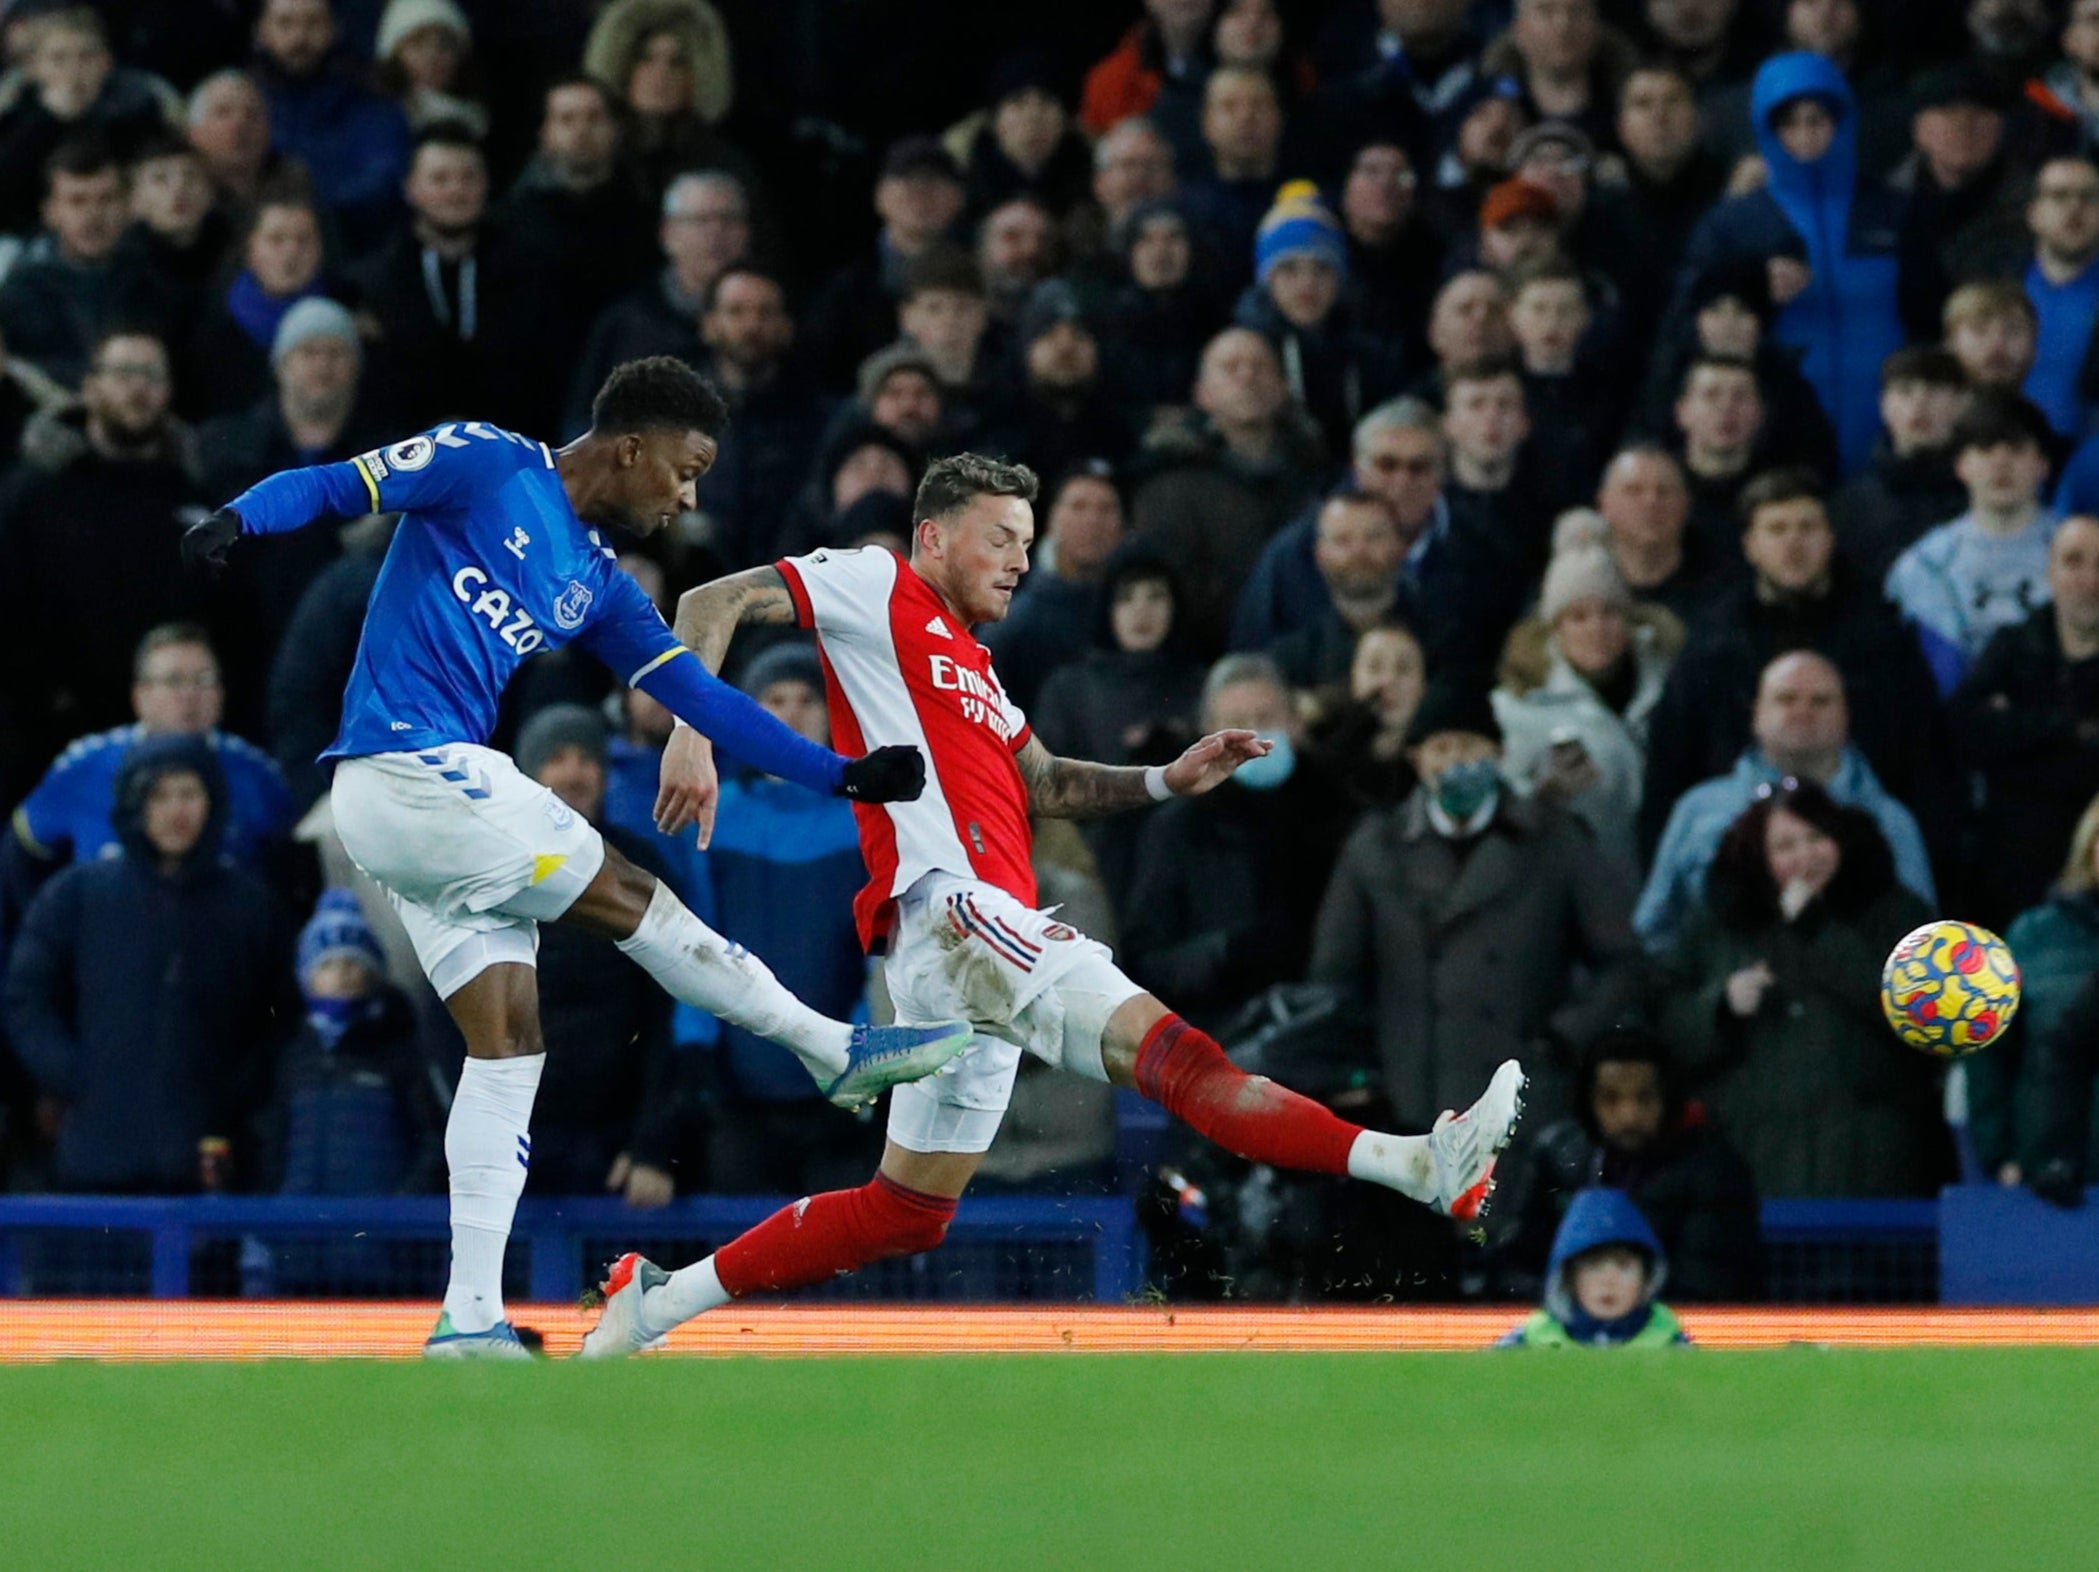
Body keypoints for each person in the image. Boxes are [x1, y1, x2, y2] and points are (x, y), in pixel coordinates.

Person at [582, 453, 1528, 1355]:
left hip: (957, 949)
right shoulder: (875, 584)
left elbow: (1043, 781)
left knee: (904, 1212)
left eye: (1027, 543)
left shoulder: (977, 668)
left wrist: (1163, 778)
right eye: (1000, 537)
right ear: (933, 537)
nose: (1021, 561)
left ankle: (659, 1300)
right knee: (1182, 1061)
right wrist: (691, 733)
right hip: (956, 911)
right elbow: (714, 598)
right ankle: (1414, 1163)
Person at [178, 356, 969, 1356]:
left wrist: (839, 776)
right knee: (636, 890)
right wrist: (239, 517)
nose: (687, 497)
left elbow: (706, 699)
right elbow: (342, 483)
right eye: (684, 470)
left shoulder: (594, 582)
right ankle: (830, 1049)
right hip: (404, 768)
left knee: (510, 1046)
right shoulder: (484, 460)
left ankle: (467, 1321)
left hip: (427, 824)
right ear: (631, 446)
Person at [1308, 681, 1642, 1132]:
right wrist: (1367, 1067)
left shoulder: (1555, 840)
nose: (1455, 763)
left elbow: (1621, 961)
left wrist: (1564, 1039)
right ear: (1417, 759)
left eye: (1469, 747)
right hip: (1407, 1106)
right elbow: (1334, 976)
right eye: (1441, 748)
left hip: (1523, 1101)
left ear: (1499, 753)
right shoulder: (1375, 848)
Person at [4, 734, 295, 1194]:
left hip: (208, 1168)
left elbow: (281, 1021)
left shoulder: (251, 908)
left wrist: (232, 1096)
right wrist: (79, 1075)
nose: (175, 811)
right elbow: (25, 999)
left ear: (213, 800)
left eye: (188, 794)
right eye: (158, 795)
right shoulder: (77, 895)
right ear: (132, 802)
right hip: (93, 1168)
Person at [1639, 468, 1949, 857]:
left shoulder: (1883, 641)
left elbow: (1927, 762)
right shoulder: (1711, 646)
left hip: (1864, 848)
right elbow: (1672, 766)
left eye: (1807, 527)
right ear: (1750, 544)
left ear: (1830, 538)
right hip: (1736, 850)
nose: (1793, 543)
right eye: (1777, 529)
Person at [1656, 779, 1943, 1197]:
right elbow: (1668, 1025)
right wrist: (1721, 1007)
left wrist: (1818, 931)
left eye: (1817, 837)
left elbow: (1918, 1015)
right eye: (1785, 846)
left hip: (1872, 1164)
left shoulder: (1897, 914)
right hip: (1753, 1160)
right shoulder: (1717, 925)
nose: (1805, 856)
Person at [1674, 52, 1911, 473]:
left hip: (1891, 423)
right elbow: (1688, 319)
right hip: (1779, 432)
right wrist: (1752, 290)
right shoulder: (1734, 221)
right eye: (1790, 123)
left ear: (1843, 122)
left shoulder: (1891, 211)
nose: (1805, 135)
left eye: (1818, 120)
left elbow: (1928, 310)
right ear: (1768, 131)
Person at [0, 329, 212, 793]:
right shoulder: (34, 495)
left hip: (173, 746)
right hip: (45, 743)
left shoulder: (199, 498)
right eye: (123, 373)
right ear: (90, 386)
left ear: (170, 391)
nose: (138, 389)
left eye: (151, 375)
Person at [1637, 651, 1935, 953]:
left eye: (1820, 701)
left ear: (1846, 715)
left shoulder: (1890, 821)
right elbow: (1656, 929)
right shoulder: (1698, 809)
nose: (1803, 711)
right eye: (1786, 699)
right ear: (1756, 713)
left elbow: (1920, 944)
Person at [1122, 654, 1356, 1029]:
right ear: (1207, 736)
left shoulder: (1341, 815)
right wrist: (1224, 952)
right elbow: (1146, 963)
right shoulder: (1176, 830)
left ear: (1294, 723)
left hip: (1324, 1036)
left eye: (1266, 720)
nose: (1253, 739)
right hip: (1220, 1041)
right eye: (1236, 727)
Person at [515, 705, 687, 1204]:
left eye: (588, 759)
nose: (574, 773)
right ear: (529, 773)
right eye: (557, 758)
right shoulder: (488, 868)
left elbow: (668, 1016)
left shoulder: (637, 869)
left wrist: (653, 1144)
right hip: (510, 1144)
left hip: (615, 1153)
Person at [7, 624, 293, 905]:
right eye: (173, 681)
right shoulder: (86, 767)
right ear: (140, 697)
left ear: (221, 693)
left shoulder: (258, 774)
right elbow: (19, 853)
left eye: (204, 680)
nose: (189, 695)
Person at [1488, 1028, 1760, 1303]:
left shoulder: (1712, 1168)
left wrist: (1617, 1312)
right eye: (1611, 1099)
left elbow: (1709, 1283)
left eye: (1645, 1098)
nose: (1629, 1115)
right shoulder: (1554, 1154)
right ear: (1588, 1103)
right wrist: (1570, 1310)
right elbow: (1511, 1267)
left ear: (1668, 1100)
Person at [1492, 512, 1682, 872]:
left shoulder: (1671, 685)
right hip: (1579, 883)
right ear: (1555, 627)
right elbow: (1506, 813)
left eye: (1609, 612)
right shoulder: (1519, 709)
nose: (1597, 628)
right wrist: (1546, 794)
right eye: (1579, 617)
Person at [1950, 516, 2099, 929]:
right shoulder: (2012, 646)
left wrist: (2016, 730)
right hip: (2006, 866)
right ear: (2049, 572)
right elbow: (1964, 732)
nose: (2090, 580)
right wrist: (2072, 727)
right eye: (2074, 561)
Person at [1886, 391, 2061, 697]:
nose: (2001, 463)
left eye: (2016, 449)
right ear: (1961, 465)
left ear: (2043, 465)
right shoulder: (1922, 565)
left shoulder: (2083, 556)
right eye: (1985, 449)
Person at [563, 169, 751, 435]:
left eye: (728, 220)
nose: (716, 233)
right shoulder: (628, 322)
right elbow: (582, 420)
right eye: (701, 221)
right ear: (667, 234)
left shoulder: (770, 317)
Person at [249, 0, 411, 253]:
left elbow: (385, 176)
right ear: (261, 32)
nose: (299, 37)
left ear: (335, 30)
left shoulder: (369, 98)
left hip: (355, 245)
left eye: (313, 23)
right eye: (285, 23)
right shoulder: (244, 102)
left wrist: (315, 213)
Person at [981, 460, 1129, 712]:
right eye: (1078, 507)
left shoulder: (1138, 608)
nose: (1093, 520)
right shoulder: (1015, 622)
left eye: (1106, 509)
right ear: (1052, 520)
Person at [1829, 345, 1972, 582]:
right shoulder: (1850, 506)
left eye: (1934, 390)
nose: (1919, 404)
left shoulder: (1982, 498)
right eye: (1905, 391)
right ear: (1883, 404)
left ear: (1963, 402)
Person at [1495, 1187, 1691, 1347]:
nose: (1609, 1280)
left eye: (1623, 1266)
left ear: (1647, 1277)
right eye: (1593, 1266)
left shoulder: (1672, 1345)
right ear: (1568, 1277)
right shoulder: (1528, 1344)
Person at [2021, 154, 2099, 441]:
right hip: (2008, 451)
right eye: (2059, 195)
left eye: (2089, 197)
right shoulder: (1999, 285)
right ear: (2034, 213)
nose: (2074, 207)